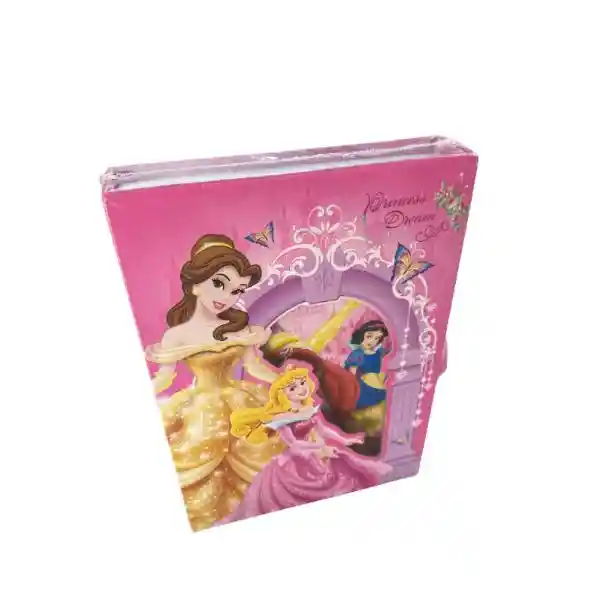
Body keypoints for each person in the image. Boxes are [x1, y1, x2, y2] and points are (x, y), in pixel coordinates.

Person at [221, 367, 391, 522]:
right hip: (298, 463)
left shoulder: (309, 409)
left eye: (302, 383)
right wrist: (320, 449)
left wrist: (345, 440)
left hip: (319, 454)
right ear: (283, 394)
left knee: (346, 471)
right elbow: (294, 446)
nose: (301, 389)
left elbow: (323, 429)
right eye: (292, 388)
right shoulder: (282, 418)